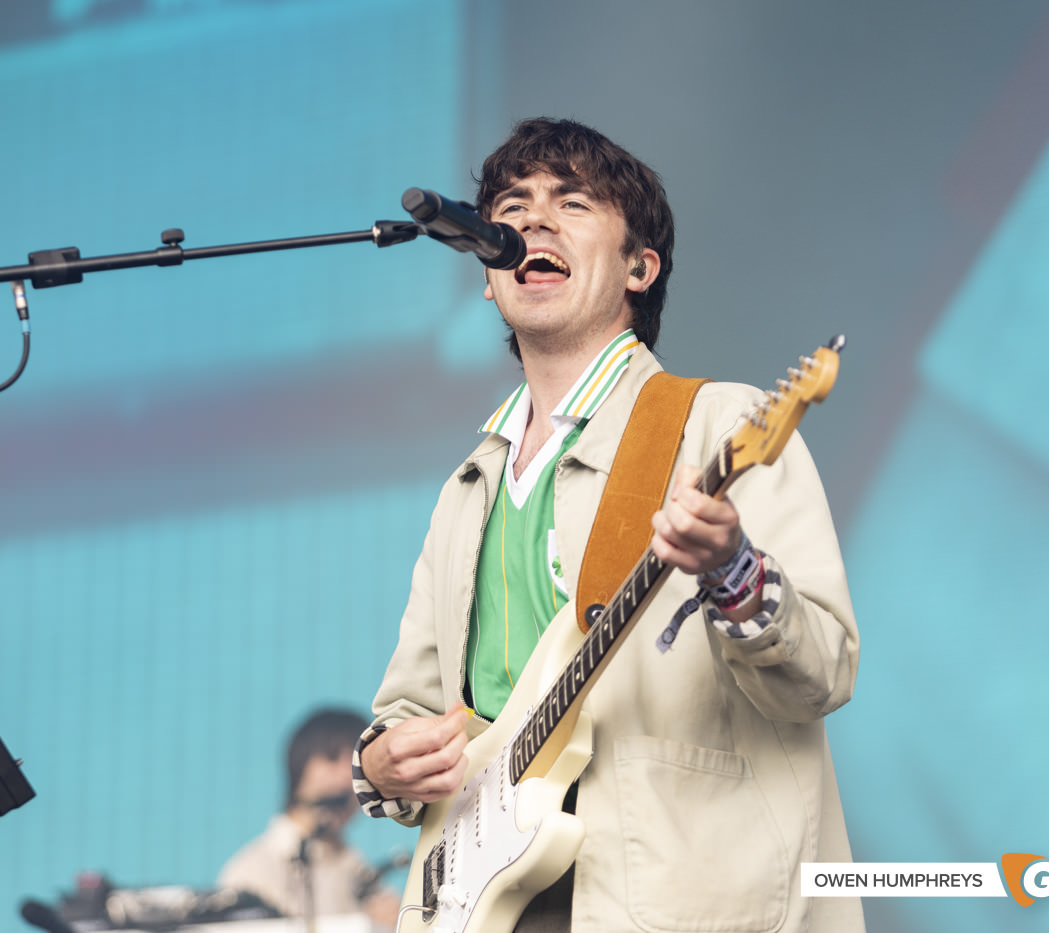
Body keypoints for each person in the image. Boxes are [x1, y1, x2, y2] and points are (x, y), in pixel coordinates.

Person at [352, 118, 862, 933]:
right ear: (488, 275)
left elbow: (822, 672)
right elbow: (411, 706)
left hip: (670, 896)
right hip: (487, 900)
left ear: (639, 267)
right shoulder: (468, 486)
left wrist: (733, 570)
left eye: (572, 203)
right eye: (511, 207)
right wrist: (383, 764)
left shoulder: (717, 425)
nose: (533, 221)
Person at [218, 708, 401, 929]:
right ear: (299, 767)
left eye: (356, 765)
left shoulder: (356, 867)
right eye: (332, 758)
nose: (348, 778)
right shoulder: (250, 872)